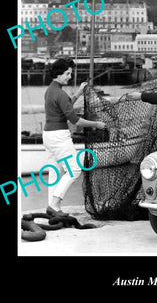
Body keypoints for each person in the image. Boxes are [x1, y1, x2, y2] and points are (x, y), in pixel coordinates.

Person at [43, 58, 106, 217]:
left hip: (48, 136)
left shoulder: (51, 90)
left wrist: (79, 91)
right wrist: (96, 124)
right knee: (74, 169)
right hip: (59, 136)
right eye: (67, 73)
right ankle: (55, 204)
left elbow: (65, 104)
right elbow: (75, 120)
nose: (69, 77)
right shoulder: (60, 93)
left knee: (54, 171)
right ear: (58, 74)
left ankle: (51, 207)